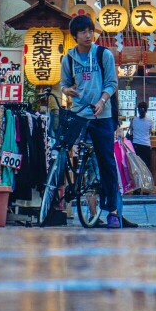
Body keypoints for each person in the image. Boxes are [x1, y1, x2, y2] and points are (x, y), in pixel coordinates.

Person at [60, 14, 121, 228]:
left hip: (101, 116)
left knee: (106, 162)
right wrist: (67, 91)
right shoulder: (68, 58)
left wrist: (103, 101)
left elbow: (112, 83)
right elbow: (64, 85)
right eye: (83, 32)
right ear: (75, 36)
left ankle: (112, 211)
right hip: (78, 114)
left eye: (90, 31)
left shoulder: (104, 55)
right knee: (64, 154)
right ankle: (90, 212)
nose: (88, 35)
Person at [129, 101, 153, 170]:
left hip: (136, 145)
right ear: (146, 110)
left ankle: (138, 181)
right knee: (146, 167)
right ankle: (147, 181)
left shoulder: (134, 120)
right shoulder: (150, 121)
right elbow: (149, 133)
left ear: (138, 110)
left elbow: (131, 131)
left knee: (137, 167)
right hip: (146, 145)